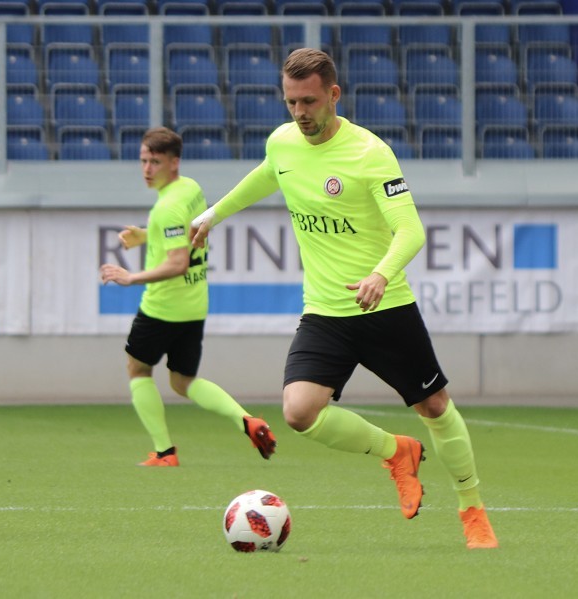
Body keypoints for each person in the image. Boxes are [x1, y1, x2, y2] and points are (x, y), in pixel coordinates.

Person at [190, 49, 498, 549]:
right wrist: (213, 214)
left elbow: (411, 230)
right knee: (299, 412)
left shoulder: (370, 153)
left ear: (333, 94)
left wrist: (381, 274)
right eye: (291, 102)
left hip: (385, 307)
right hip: (325, 312)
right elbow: (269, 172)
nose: (300, 112)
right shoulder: (283, 142)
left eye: (309, 101)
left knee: (435, 406)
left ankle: (472, 509)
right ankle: (395, 452)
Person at [100, 127, 276, 467]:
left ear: (174, 162)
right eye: (143, 161)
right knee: (183, 381)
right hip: (194, 305)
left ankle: (164, 452)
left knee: (138, 369)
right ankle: (246, 420)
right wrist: (146, 235)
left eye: (155, 162)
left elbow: (177, 262)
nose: (147, 169)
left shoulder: (166, 207)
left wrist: (130, 277)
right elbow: (186, 232)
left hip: (163, 307)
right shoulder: (191, 189)